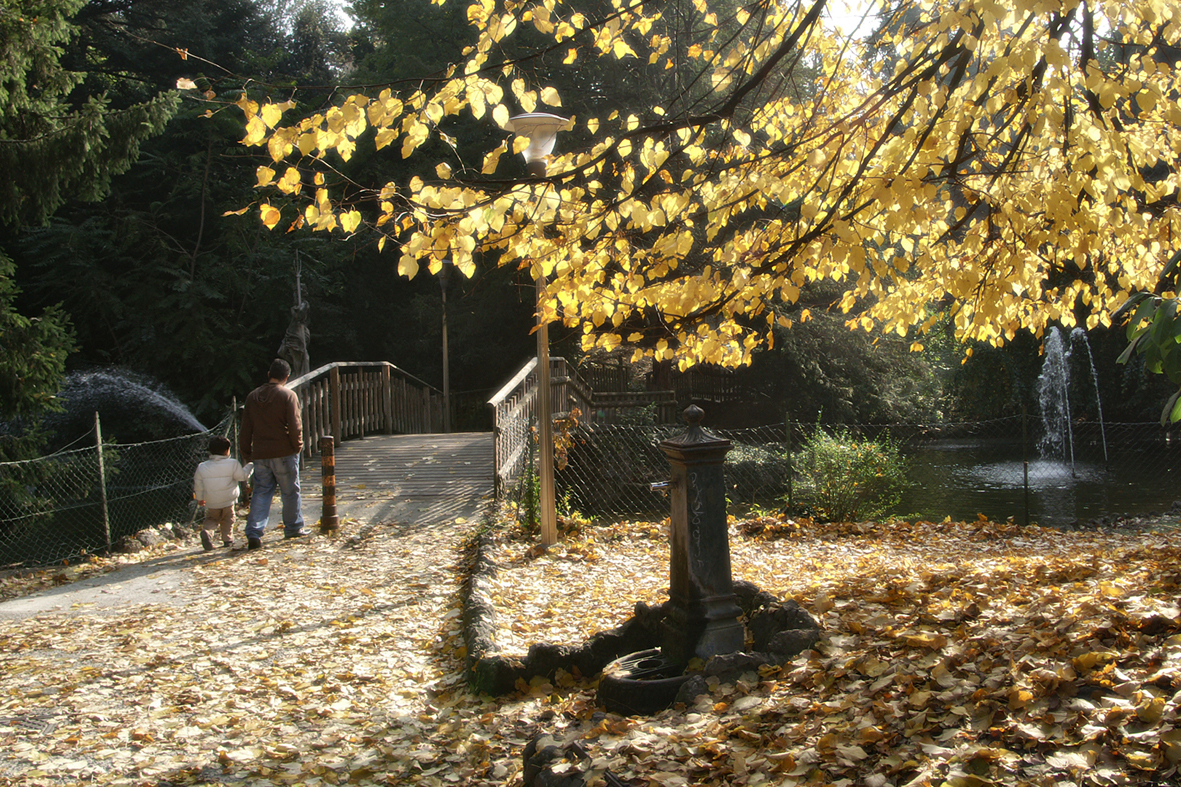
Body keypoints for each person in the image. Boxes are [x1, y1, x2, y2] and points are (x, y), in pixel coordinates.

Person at [240, 358, 308, 549]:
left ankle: (254, 531)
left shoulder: (252, 397)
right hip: (284, 451)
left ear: (269, 374)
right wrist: (297, 446)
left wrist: (246, 451)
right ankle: (293, 527)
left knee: (261, 492)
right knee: (290, 491)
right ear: (286, 377)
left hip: (260, 453)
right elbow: (295, 425)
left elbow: (246, 428)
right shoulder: (287, 395)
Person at [193, 435, 252, 550]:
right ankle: (227, 539)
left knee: (211, 519)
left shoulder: (202, 467)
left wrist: (200, 498)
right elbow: (242, 477)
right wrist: (250, 466)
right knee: (228, 519)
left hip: (211, 501)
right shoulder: (233, 463)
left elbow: (198, 485)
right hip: (228, 500)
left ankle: (207, 532)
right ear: (227, 450)